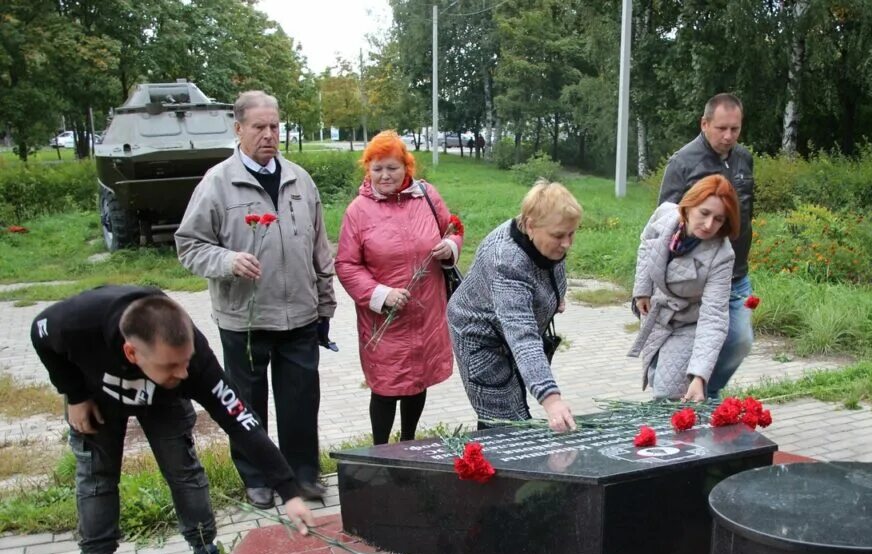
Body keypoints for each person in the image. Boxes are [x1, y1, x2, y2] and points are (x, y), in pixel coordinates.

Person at [30, 286, 315, 554]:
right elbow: (38, 332)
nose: (183, 373)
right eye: (172, 365)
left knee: (184, 472)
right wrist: (74, 393)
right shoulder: (76, 322)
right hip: (97, 397)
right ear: (132, 353)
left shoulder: (193, 362)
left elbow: (242, 422)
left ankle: (205, 550)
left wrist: (289, 491)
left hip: (163, 402)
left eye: (185, 362)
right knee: (96, 479)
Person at [176, 90, 337, 508]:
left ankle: (303, 475)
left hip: (299, 315)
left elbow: (321, 249)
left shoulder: (300, 180)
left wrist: (325, 306)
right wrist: (228, 260)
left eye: (274, 127)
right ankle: (260, 478)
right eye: (259, 127)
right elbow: (189, 245)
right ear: (238, 129)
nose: (269, 135)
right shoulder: (217, 183)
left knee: (301, 403)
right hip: (244, 318)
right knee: (247, 406)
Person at [335, 131, 463, 445]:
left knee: (417, 383)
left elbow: (453, 228)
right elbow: (346, 264)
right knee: (385, 387)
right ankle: (381, 451)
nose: (384, 175)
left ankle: (408, 444)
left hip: (425, 311)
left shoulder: (427, 196)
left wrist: (449, 246)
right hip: (384, 318)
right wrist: (380, 294)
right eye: (377, 168)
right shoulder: (358, 211)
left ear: (406, 167)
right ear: (368, 170)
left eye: (392, 167)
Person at [447, 179, 581, 433]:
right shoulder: (506, 260)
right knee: (507, 420)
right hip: (481, 339)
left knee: (515, 404)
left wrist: (554, 298)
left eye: (571, 234)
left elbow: (548, 271)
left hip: (506, 331)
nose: (566, 244)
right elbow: (522, 336)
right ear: (530, 225)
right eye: (558, 236)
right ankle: (485, 465)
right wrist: (551, 400)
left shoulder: (545, 232)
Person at [658, 93, 755, 399]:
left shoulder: (744, 159)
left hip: (736, 273)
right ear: (705, 123)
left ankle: (706, 391)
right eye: (721, 128)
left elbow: (746, 211)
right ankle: (682, 392)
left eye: (735, 130)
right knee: (691, 343)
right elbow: (663, 223)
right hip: (695, 279)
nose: (728, 136)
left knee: (739, 340)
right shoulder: (682, 162)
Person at [630, 175, 740, 400]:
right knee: (655, 376)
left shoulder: (722, 254)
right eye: (704, 213)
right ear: (689, 206)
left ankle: (675, 430)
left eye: (719, 219)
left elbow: (714, 318)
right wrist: (642, 290)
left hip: (688, 322)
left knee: (668, 392)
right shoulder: (664, 215)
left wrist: (699, 377)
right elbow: (646, 244)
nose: (710, 225)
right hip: (655, 314)